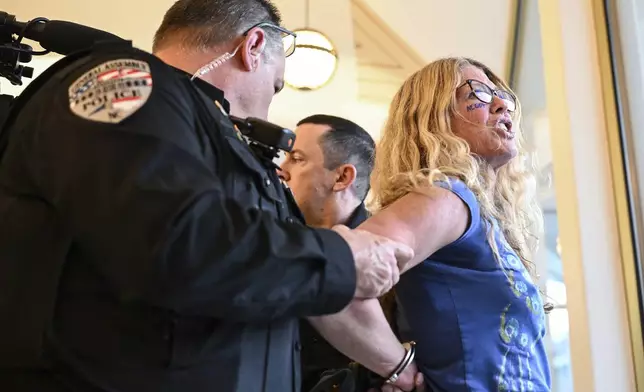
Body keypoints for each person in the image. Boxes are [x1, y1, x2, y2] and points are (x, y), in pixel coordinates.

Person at [0, 1, 414, 391]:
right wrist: (341, 257)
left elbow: (279, 278)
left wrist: (398, 368)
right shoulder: (126, 80)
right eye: (275, 87)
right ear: (252, 46)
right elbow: (174, 243)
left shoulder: (218, 139)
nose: (269, 107)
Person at [356, 57, 551, 391]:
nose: (503, 104)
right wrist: (396, 367)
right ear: (436, 118)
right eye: (479, 93)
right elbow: (335, 270)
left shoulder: (483, 217)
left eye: (501, 94)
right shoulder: (449, 197)